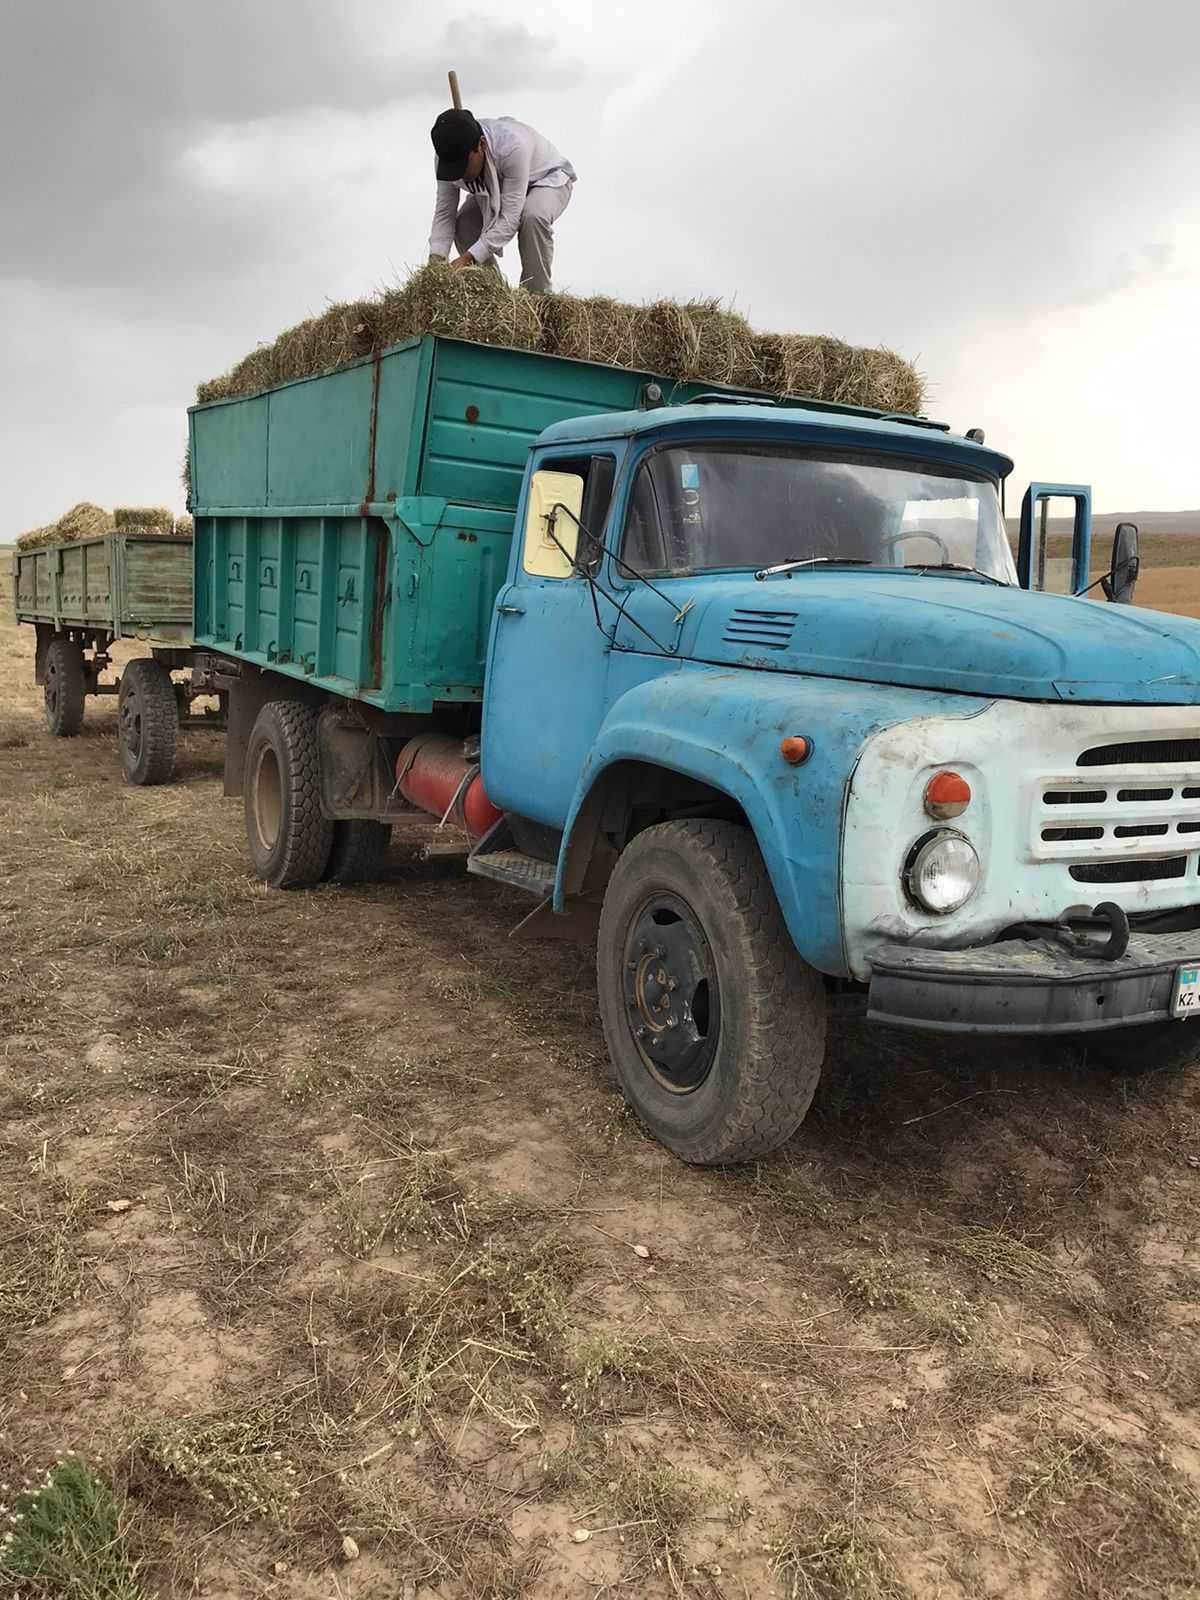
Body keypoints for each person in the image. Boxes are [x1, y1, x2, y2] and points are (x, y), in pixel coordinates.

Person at [428, 110, 576, 295]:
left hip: (545, 179)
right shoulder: (445, 158)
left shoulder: (512, 146)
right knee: (464, 223)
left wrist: (468, 258)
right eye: (452, 168)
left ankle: (537, 298)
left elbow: (510, 219)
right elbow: (444, 213)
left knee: (532, 217)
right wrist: (436, 262)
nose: (458, 174)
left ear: (481, 145)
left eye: (462, 165)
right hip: (499, 188)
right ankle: (494, 296)